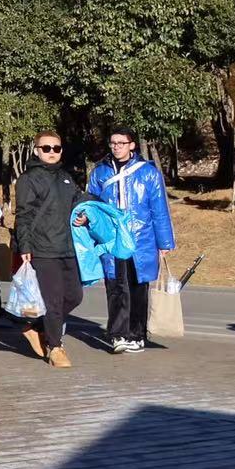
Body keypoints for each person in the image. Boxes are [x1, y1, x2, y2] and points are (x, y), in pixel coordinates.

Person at [87, 128, 174, 354]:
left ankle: (136, 334)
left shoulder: (148, 173)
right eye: (113, 143)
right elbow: (92, 204)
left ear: (132, 145)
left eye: (122, 143)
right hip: (111, 238)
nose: (117, 147)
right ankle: (117, 334)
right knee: (115, 285)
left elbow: (159, 209)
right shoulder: (100, 172)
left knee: (137, 286)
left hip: (141, 238)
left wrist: (164, 243)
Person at [11, 131, 86, 367]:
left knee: (74, 296)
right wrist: (25, 246)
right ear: (36, 151)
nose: (52, 152)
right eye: (46, 148)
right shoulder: (28, 179)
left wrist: (83, 218)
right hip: (42, 248)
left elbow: (76, 205)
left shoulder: (66, 177)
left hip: (67, 247)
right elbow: (22, 215)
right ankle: (55, 347)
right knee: (53, 301)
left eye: (56, 148)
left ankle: (37, 328)